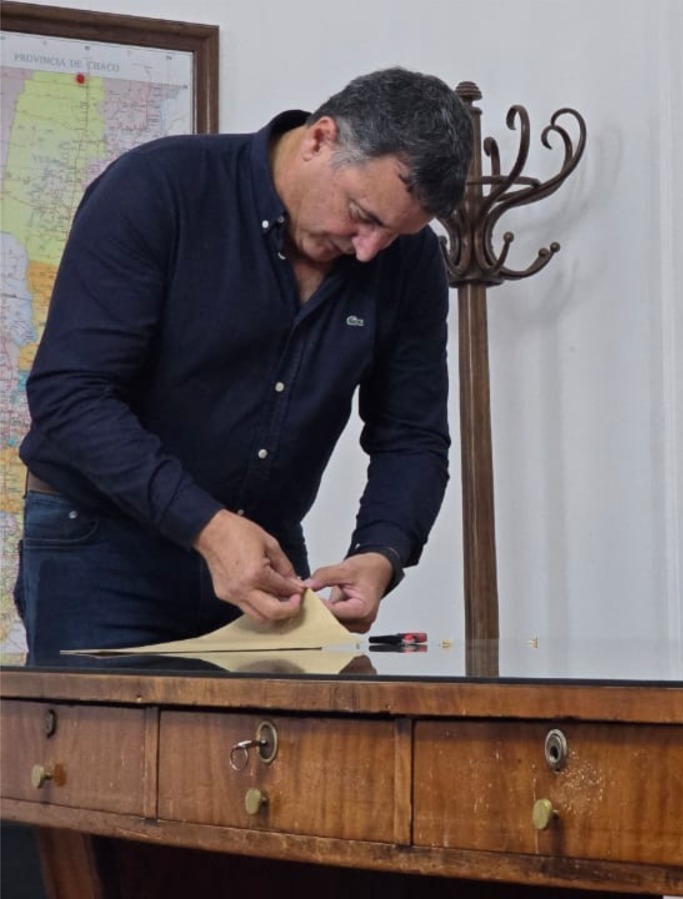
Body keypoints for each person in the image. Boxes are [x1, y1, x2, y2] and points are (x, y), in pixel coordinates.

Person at [16, 67, 474, 654]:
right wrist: (207, 527)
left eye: (394, 235)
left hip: (265, 554)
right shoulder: (157, 188)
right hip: (100, 543)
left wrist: (381, 552)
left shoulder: (408, 261)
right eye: (363, 215)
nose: (369, 251)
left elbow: (412, 436)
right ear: (320, 139)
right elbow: (71, 395)